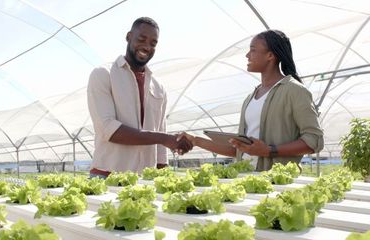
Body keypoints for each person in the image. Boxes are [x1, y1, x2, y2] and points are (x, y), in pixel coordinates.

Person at [179, 29, 323, 171]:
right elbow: (237, 150)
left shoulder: (295, 91)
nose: (247, 55)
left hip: (277, 183)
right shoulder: (250, 98)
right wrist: (196, 140)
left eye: (253, 50)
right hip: (248, 177)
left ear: (270, 55)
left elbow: (314, 140)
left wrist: (269, 150)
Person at [87, 17, 192, 178]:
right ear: (129, 37)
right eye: (141, 39)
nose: (147, 46)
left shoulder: (159, 88)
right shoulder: (103, 74)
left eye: (153, 43)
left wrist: (164, 175)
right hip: (106, 176)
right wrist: (164, 138)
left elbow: (160, 132)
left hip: (145, 181)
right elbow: (108, 129)